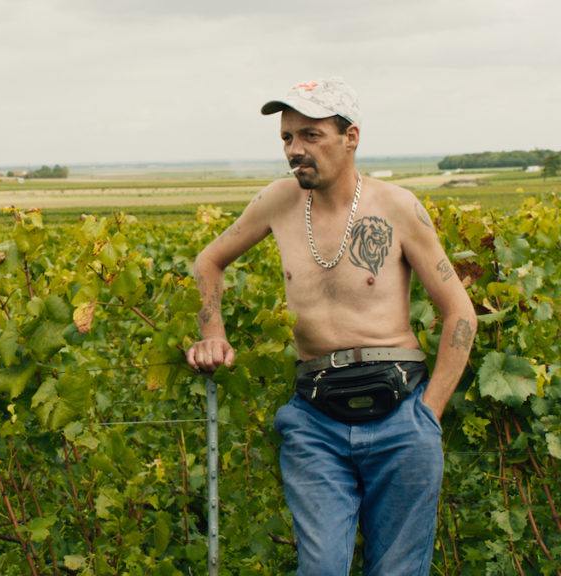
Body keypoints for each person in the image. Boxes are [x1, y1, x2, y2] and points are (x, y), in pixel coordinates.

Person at [186, 78, 476, 574]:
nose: (294, 149)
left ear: (351, 137)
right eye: (286, 138)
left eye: (310, 135)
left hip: (402, 413)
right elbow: (208, 262)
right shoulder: (276, 202)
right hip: (314, 419)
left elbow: (460, 312)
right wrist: (214, 332)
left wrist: (428, 415)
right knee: (321, 568)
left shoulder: (398, 207)